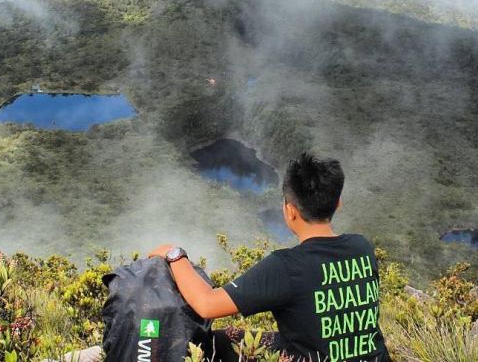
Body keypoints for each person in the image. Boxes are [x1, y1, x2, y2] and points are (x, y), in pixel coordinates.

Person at [149, 152, 390, 361]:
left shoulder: (286, 266)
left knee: (216, 344)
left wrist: (174, 255)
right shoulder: (362, 246)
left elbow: (207, 305)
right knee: (229, 338)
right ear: (338, 203)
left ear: (290, 210)